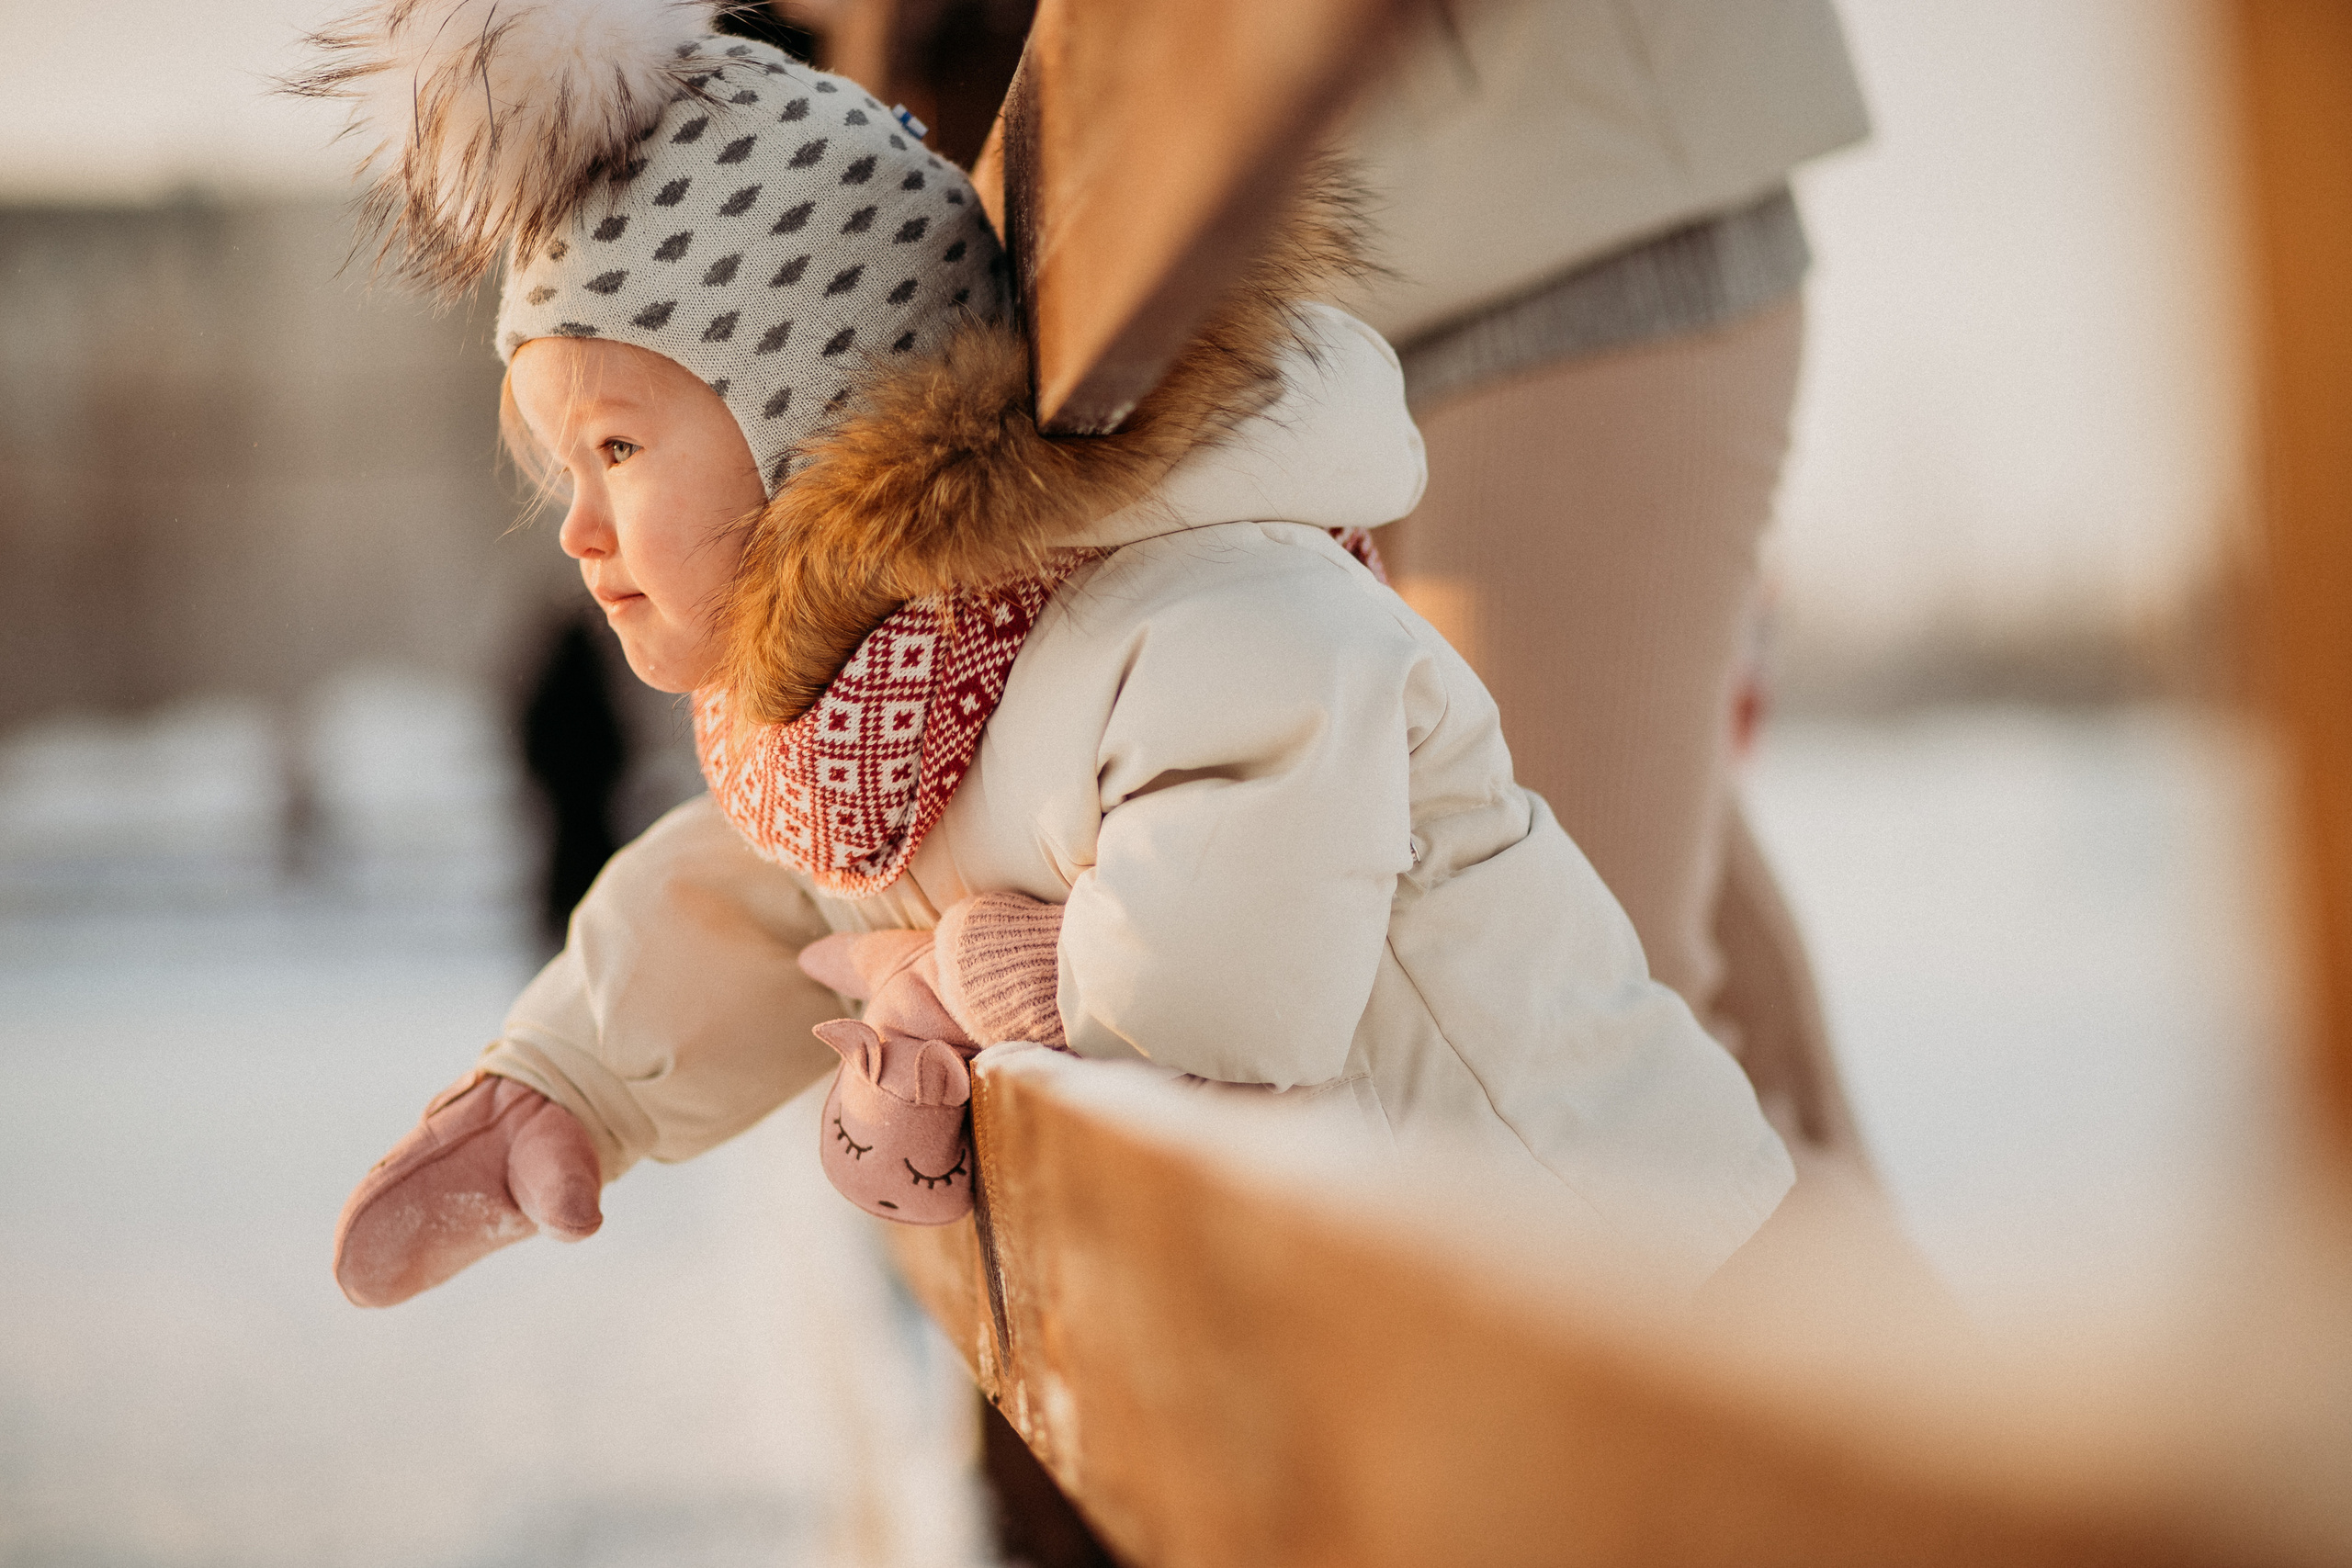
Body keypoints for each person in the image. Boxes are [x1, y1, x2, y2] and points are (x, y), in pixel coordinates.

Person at [300, 0, 1793, 1311]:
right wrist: (566, 1081)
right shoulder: (905, 702)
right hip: (1458, 1312)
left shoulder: (1197, 609)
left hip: (1645, 1281)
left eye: (618, 448)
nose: (580, 530)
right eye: (570, 466)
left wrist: (986, 966)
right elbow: (758, 895)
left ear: (807, 427)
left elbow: (1235, 951)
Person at [1344, 0, 1878, 1163]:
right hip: (1353, 313)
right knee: (1673, 1037)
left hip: (1567, 229)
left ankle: (1836, 1343)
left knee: (1590, 1058)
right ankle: (1876, 1340)